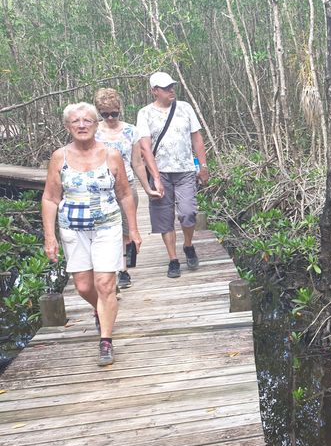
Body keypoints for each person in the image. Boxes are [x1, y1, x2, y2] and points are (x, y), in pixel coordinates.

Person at [41, 102, 142, 366]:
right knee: (84, 286)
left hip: (107, 226)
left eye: (87, 120)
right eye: (76, 121)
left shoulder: (111, 155)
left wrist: (132, 229)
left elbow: (124, 194)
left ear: (96, 125)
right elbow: (51, 198)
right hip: (73, 229)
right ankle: (102, 310)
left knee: (105, 284)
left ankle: (105, 341)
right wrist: (49, 237)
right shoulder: (59, 157)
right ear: (67, 127)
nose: (82, 125)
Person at [136, 72, 209, 278]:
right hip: (161, 172)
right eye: (166, 87)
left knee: (187, 212)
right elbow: (145, 147)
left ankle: (187, 245)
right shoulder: (145, 113)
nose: (171, 90)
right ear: (154, 91)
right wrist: (155, 177)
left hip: (185, 170)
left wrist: (202, 165)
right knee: (164, 218)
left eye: (172, 86)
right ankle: (173, 259)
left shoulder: (185, 108)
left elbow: (196, 138)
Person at [94, 88, 153, 289]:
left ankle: (124, 265)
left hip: (126, 186)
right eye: (105, 114)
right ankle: (119, 270)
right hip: (102, 189)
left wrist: (147, 188)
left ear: (120, 109)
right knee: (109, 230)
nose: (110, 118)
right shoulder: (93, 131)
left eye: (114, 113)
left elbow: (137, 163)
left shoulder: (131, 130)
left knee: (126, 231)